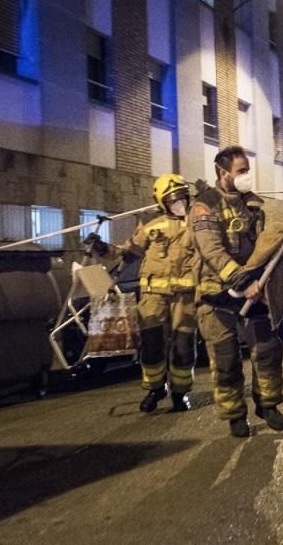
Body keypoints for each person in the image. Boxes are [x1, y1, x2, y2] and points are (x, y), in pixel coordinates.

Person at [190, 146, 283, 437]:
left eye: (247, 170)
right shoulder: (204, 206)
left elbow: (263, 243)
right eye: (240, 171)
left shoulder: (253, 204)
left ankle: (268, 405)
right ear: (223, 173)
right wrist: (241, 282)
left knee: (268, 348)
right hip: (216, 292)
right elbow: (211, 250)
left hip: (253, 288)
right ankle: (235, 414)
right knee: (225, 357)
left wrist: (258, 280)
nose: (246, 176)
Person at [85, 174, 198, 413]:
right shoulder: (152, 227)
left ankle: (180, 393)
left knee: (183, 346)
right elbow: (125, 253)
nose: (178, 202)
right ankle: (156, 389)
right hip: (153, 299)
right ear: (161, 203)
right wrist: (101, 247)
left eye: (181, 197)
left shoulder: (198, 225)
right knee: (151, 345)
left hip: (185, 299)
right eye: (172, 199)